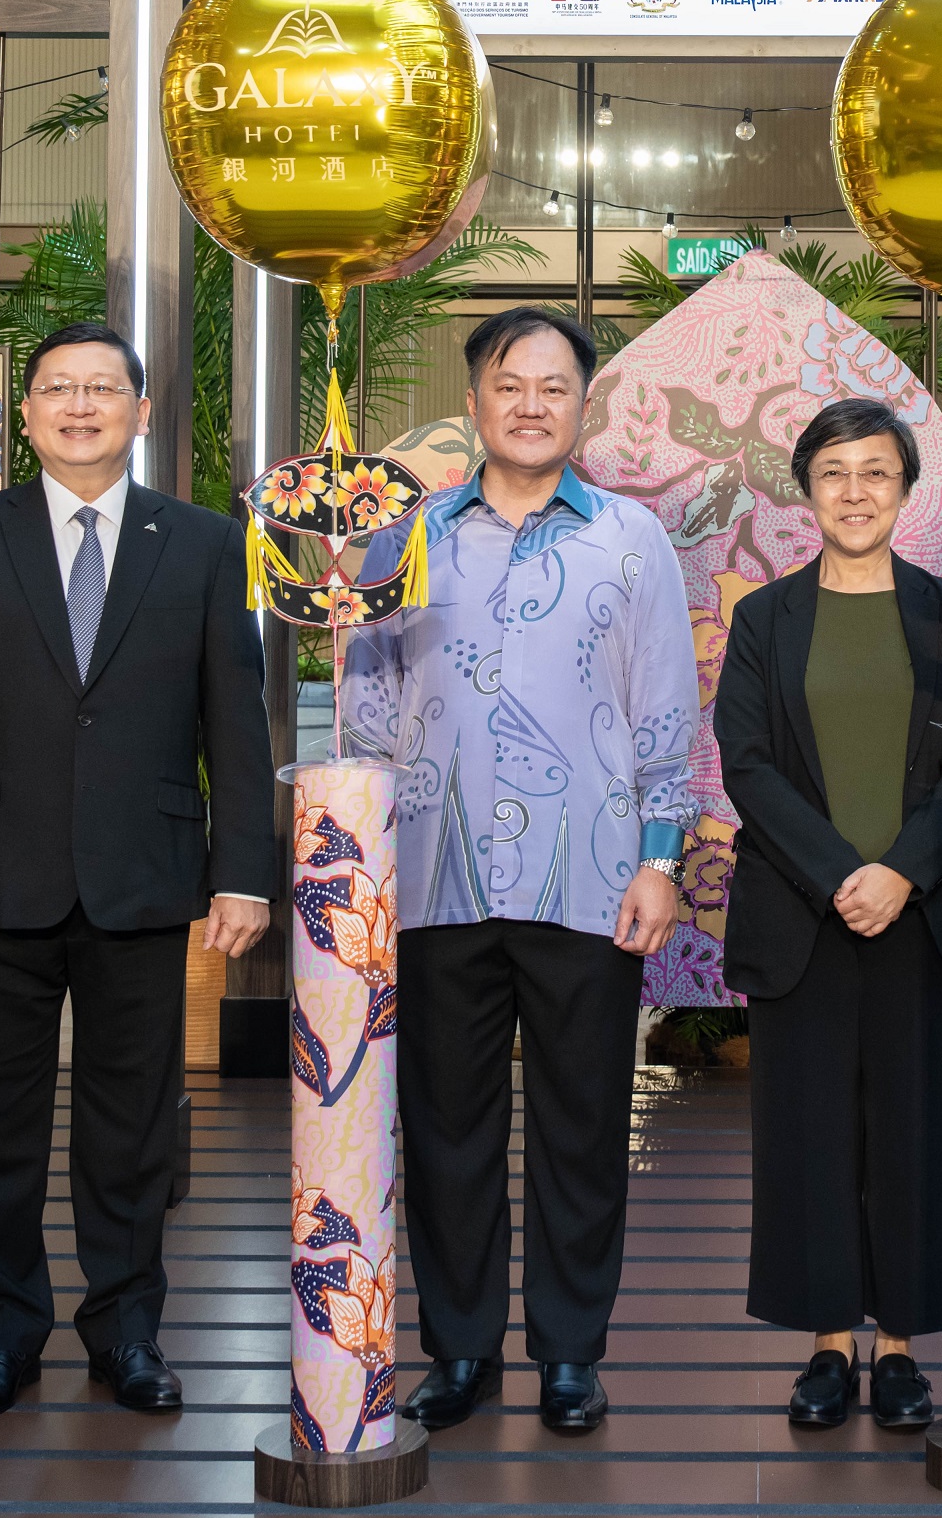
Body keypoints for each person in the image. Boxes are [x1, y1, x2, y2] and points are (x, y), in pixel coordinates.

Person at [0, 322, 276, 1423]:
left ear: (140, 412)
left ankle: (127, 1329)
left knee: (133, 1126)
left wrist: (239, 870)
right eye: (56, 387)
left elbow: (232, 723)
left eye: (101, 388)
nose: (79, 404)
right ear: (24, 413)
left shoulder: (202, 541)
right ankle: (3, 1334)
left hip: (145, 879)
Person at [340, 305, 699, 1437]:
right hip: (435, 873)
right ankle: (455, 1348)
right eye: (510, 382)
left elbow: (663, 713)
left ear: (581, 404)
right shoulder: (401, 535)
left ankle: (570, 1350)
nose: (531, 402)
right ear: (475, 400)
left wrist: (658, 858)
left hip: (586, 877)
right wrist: (362, 855)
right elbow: (364, 704)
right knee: (444, 1125)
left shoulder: (628, 540)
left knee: (582, 1119)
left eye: (554, 384)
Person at [712, 395, 942, 1432]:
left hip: (916, 912)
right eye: (834, 472)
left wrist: (901, 871)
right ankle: (829, 1340)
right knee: (808, 1134)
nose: (855, 491)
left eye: (875, 471)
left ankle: (901, 1346)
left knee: (912, 1131)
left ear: (904, 487)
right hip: (804, 912)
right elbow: (745, 763)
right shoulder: (763, 617)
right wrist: (840, 872)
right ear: (806, 488)